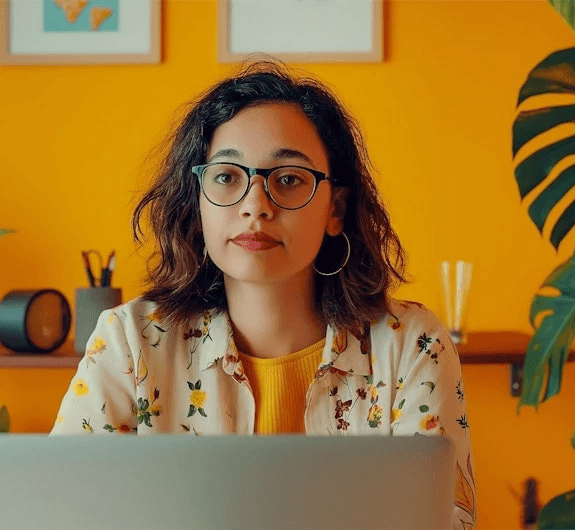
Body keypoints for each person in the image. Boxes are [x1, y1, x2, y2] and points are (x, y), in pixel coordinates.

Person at [50, 60, 476, 528]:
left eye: (289, 179)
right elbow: (66, 509)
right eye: (227, 176)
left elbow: (447, 521)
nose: (256, 205)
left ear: (335, 209)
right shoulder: (130, 343)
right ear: (199, 202)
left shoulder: (412, 345)